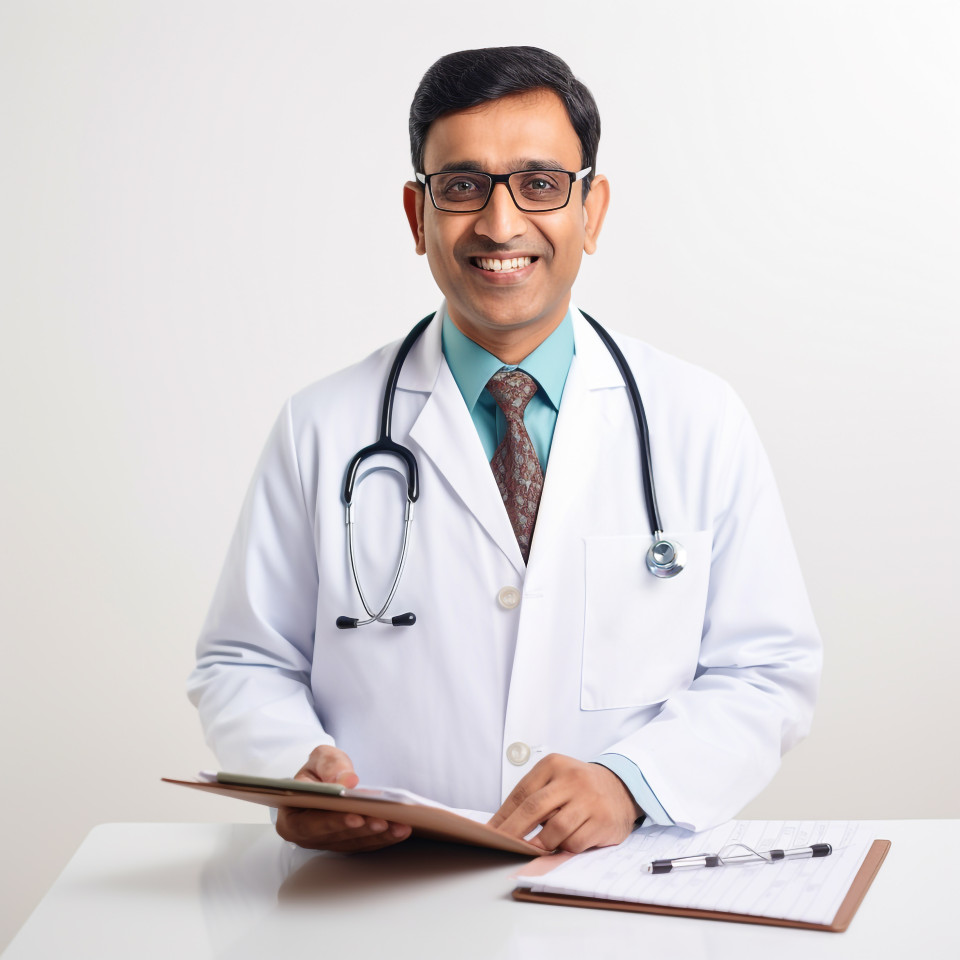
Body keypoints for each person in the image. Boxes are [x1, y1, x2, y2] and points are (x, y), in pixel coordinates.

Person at [187, 46, 821, 855]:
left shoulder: (698, 418)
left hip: (613, 884)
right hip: (385, 886)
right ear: (418, 216)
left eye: (540, 183)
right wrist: (294, 771)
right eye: (462, 186)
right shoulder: (320, 426)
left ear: (591, 210)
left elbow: (766, 670)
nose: (500, 223)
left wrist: (631, 782)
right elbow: (244, 661)